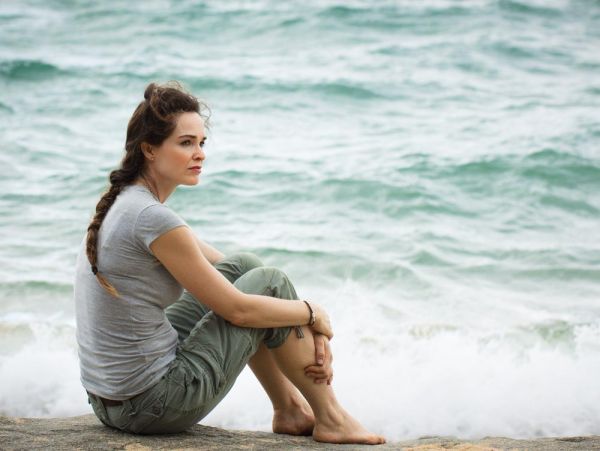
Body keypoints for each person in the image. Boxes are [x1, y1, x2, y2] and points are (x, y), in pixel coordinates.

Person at [73, 81, 385, 445]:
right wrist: (312, 313)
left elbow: (235, 270)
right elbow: (238, 309)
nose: (200, 154)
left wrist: (301, 322)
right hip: (151, 404)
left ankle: (290, 409)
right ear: (150, 149)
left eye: (202, 143)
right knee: (268, 282)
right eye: (185, 143)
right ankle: (330, 417)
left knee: (250, 269)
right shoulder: (151, 218)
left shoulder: (128, 203)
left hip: (110, 401)